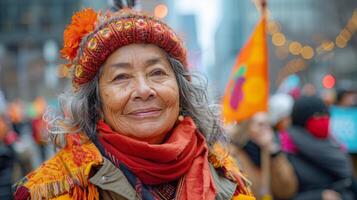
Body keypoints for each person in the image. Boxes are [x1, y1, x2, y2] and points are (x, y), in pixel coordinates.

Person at [13, 1, 254, 200]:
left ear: (181, 91)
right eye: (121, 77)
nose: (143, 90)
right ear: (95, 102)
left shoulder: (226, 177)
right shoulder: (59, 188)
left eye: (157, 73)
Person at [288, 95, 356, 200]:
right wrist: (319, 196)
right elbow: (282, 194)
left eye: (326, 115)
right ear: (302, 120)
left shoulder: (334, 144)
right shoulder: (287, 150)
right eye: (318, 116)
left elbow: (350, 182)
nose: (324, 119)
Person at [228, 112, 298, 200]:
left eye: (267, 124)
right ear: (245, 128)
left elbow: (287, 191)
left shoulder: (271, 152)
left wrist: (274, 154)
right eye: (260, 125)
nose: (265, 129)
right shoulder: (234, 155)